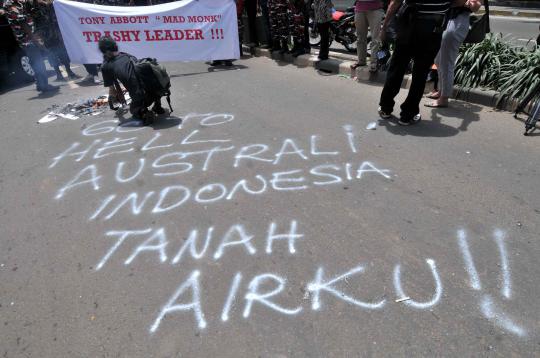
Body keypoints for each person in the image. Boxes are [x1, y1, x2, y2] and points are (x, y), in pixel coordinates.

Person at [378, 0, 463, 125]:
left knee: (396, 69)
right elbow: (460, 2)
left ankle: (386, 108)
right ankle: (408, 115)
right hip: (432, 32)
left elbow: (395, 3)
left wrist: (384, 27)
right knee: (420, 75)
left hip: (409, 28)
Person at [425, 0, 482, 108]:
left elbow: (476, 6)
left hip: (456, 23)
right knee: (438, 60)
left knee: (446, 63)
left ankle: (444, 98)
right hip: (447, 21)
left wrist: (464, 3)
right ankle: (442, 91)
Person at [98, 36, 165, 125]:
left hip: (141, 96)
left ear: (102, 51)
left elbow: (112, 91)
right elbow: (137, 74)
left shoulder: (106, 66)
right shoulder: (128, 56)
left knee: (133, 110)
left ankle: (144, 113)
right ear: (115, 46)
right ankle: (157, 106)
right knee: (149, 84)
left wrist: (113, 100)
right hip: (158, 89)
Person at [2, 0, 58, 92]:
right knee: (38, 62)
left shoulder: (19, 2)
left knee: (35, 62)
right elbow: (22, 22)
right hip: (28, 40)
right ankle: (44, 85)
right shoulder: (10, 4)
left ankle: (40, 84)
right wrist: (35, 40)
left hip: (30, 38)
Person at [31, 0, 79, 81]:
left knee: (63, 51)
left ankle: (69, 71)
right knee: (51, 53)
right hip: (46, 32)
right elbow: (35, 17)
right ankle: (59, 74)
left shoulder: (51, 3)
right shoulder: (33, 4)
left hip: (56, 29)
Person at [351, 0, 384, 72]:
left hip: (375, 9)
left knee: (375, 38)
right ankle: (361, 61)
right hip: (359, 9)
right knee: (360, 38)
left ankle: (374, 64)